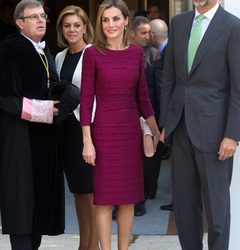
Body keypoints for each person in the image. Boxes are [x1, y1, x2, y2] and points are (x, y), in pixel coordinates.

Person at [160, 0, 240, 249]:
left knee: (217, 212)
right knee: (185, 209)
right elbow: (169, 78)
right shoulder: (178, 24)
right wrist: (166, 121)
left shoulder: (234, 28)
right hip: (179, 129)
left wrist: (232, 134)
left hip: (216, 134)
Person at [80, 0, 160, 249]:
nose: (110, 24)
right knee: (103, 201)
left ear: (127, 21)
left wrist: (157, 131)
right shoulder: (92, 53)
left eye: (116, 19)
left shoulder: (136, 52)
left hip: (129, 135)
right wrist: (87, 142)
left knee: (128, 200)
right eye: (105, 19)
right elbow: (85, 100)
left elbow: (143, 98)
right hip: (103, 134)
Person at [0, 0, 65, 249]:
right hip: (18, 136)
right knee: (21, 205)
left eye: (43, 15)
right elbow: (4, 98)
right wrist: (43, 110)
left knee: (37, 206)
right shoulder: (9, 49)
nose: (41, 20)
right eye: (34, 17)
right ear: (19, 23)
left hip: (43, 137)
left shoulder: (43, 51)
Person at [55, 5, 98, 250]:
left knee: (91, 192)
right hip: (67, 131)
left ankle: (93, 246)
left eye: (76, 25)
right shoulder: (60, 57)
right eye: (67, 25)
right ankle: (85, 244)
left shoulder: (94, 53)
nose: (71, 30)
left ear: (85, 28)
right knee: (79, 193)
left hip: (88, 130)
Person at [130, 15, 163, 216]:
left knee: (147, 158)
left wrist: (160, 121)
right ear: (132, 34)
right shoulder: (122, 52)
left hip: (148, 115)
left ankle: (141, 199)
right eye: (144, 32)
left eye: (150, 31)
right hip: (126, 114)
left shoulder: (154, 55)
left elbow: (160, 88)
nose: (149, 35)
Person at [149, 18, 173, 211]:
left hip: (169, 114)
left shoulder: (163, 53)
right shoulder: (166, 49)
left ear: (152, 35)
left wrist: (163, 120)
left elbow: (163, 87)